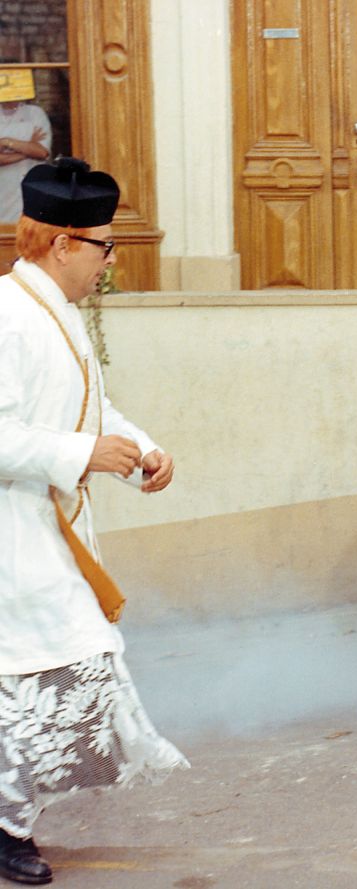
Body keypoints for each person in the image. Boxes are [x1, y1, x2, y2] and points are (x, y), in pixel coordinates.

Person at [0, 157, 187, 884]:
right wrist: (84, 453)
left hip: (47, 530)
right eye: (104, 246)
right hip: (14, 537)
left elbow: (86, 411)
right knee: (48, 673)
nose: (110, 261)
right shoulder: (9, 315)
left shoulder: (59, 315)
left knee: (61, 671)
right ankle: (7, 825)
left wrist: (140, 448)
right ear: (60, 243)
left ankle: (11, 820)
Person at [0, 69, 51, 224]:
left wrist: (7, 142)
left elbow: (42, 152)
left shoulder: (35, 113)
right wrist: (28, 149)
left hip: (31, 186)